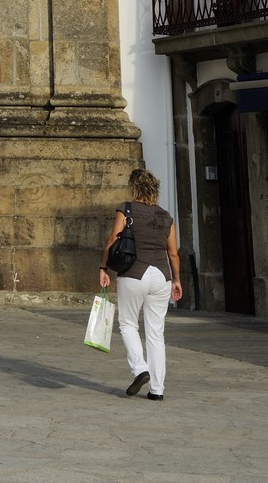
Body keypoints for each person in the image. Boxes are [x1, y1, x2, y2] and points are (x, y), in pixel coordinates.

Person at [99, 167, 182, 401]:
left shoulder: (126, 209)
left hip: (134, 273)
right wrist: (176, 279)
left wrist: (103, 267)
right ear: (155, 189)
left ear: (134, 187)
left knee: (127, 324)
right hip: (161, 276)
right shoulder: (166, 217)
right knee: (156, 333)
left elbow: (113, 239)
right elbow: (173, 253)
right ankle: (157, 389)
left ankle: (140, 369)